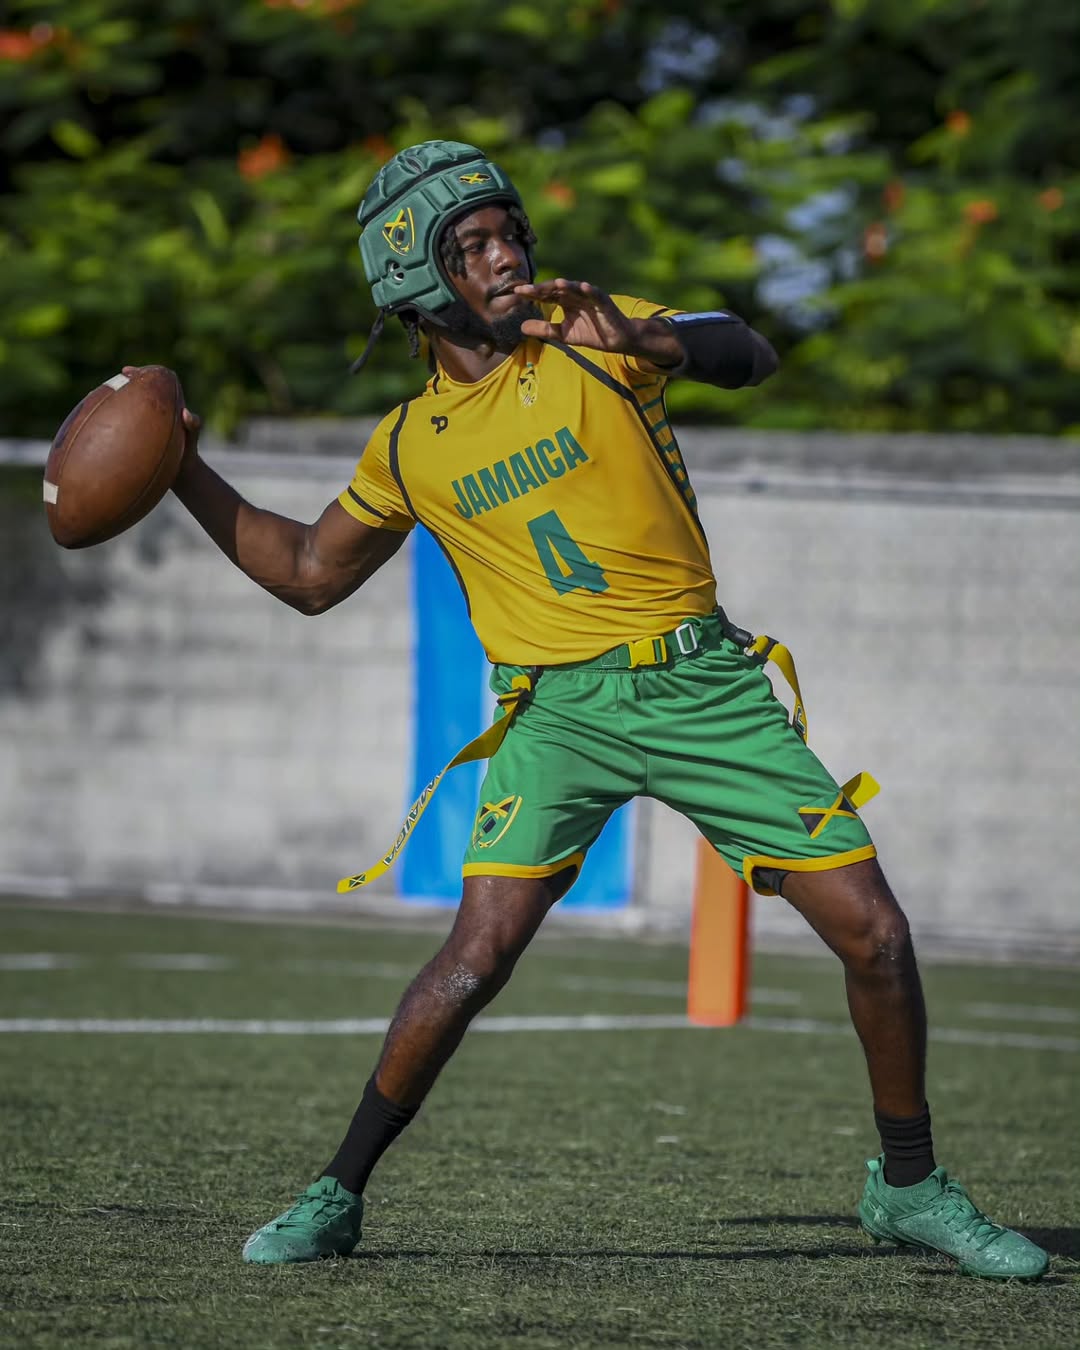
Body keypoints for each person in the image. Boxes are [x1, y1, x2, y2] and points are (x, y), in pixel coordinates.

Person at [156, 140, 1049, 1279]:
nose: (507, 255)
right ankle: (335, 1194)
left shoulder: (590, 336)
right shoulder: (408, 443)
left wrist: (651, 337)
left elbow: (753, 350)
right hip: (557, 716)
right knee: (472, 960)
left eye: (507, 231)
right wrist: (182, 471)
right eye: (471, 244)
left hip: (701, 687)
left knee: (877, 934)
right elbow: (307, 573)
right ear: (416, 284)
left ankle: (911, 1187)